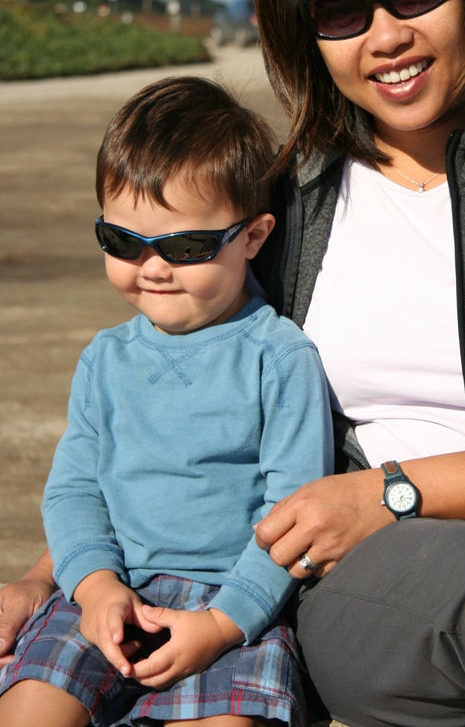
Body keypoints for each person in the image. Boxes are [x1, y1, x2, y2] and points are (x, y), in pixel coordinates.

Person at [3, 0, 465, 724]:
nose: (385, 35)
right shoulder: (282, 203)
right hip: (368, 584)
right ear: (307, 32)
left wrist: (389, 492)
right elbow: (164, 431)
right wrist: (52, 579)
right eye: (340, 11)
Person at [0, 76, 333, 727]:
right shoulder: (105, 359)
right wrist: (95, 585)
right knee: (32, 706)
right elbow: (74, 491)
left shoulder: (279, 358)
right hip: (108, 588)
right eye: (123, 242)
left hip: (230, 606)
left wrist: (223, 622)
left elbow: (293, 513)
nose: (152, 267)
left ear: (254, 236)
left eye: (184, 247)